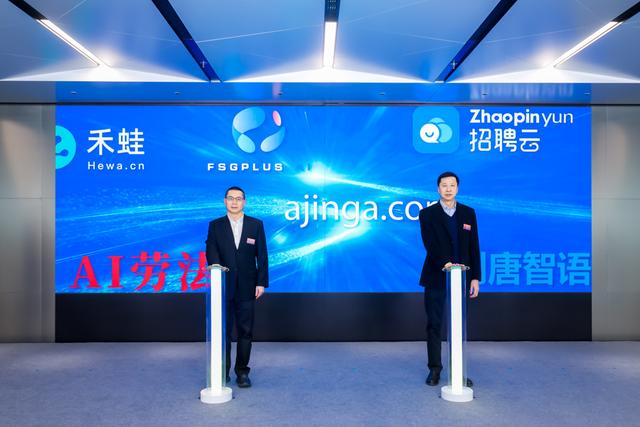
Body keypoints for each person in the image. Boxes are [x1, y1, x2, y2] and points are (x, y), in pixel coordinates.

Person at [419, 171, 480, 387]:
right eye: (444, 185)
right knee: (435, 324)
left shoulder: (468, 213)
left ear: (457, 188)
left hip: (462, 279)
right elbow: (430, 244)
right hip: (436, 276)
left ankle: (458, 371)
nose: (448, 189)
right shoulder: (427, 214)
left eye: (452, 185)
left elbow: (474, 246)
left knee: (458, 326)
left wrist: (475, 278)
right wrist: (444, 263)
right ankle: (435, 369)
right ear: (438, 189)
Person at [206, 186, 268, 388]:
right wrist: (217, 272)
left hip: (248, 287)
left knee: (245, 331)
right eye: (231, 198)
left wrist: (261, 282)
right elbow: (211, 251)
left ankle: (242, 372)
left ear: (244, 202)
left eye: (238, 198)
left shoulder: (255, 225)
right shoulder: (215, 225)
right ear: (225, 201)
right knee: (223, 332)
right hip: (223, 286)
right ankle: (222, 372)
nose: (234, 202)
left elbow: (262, 255)